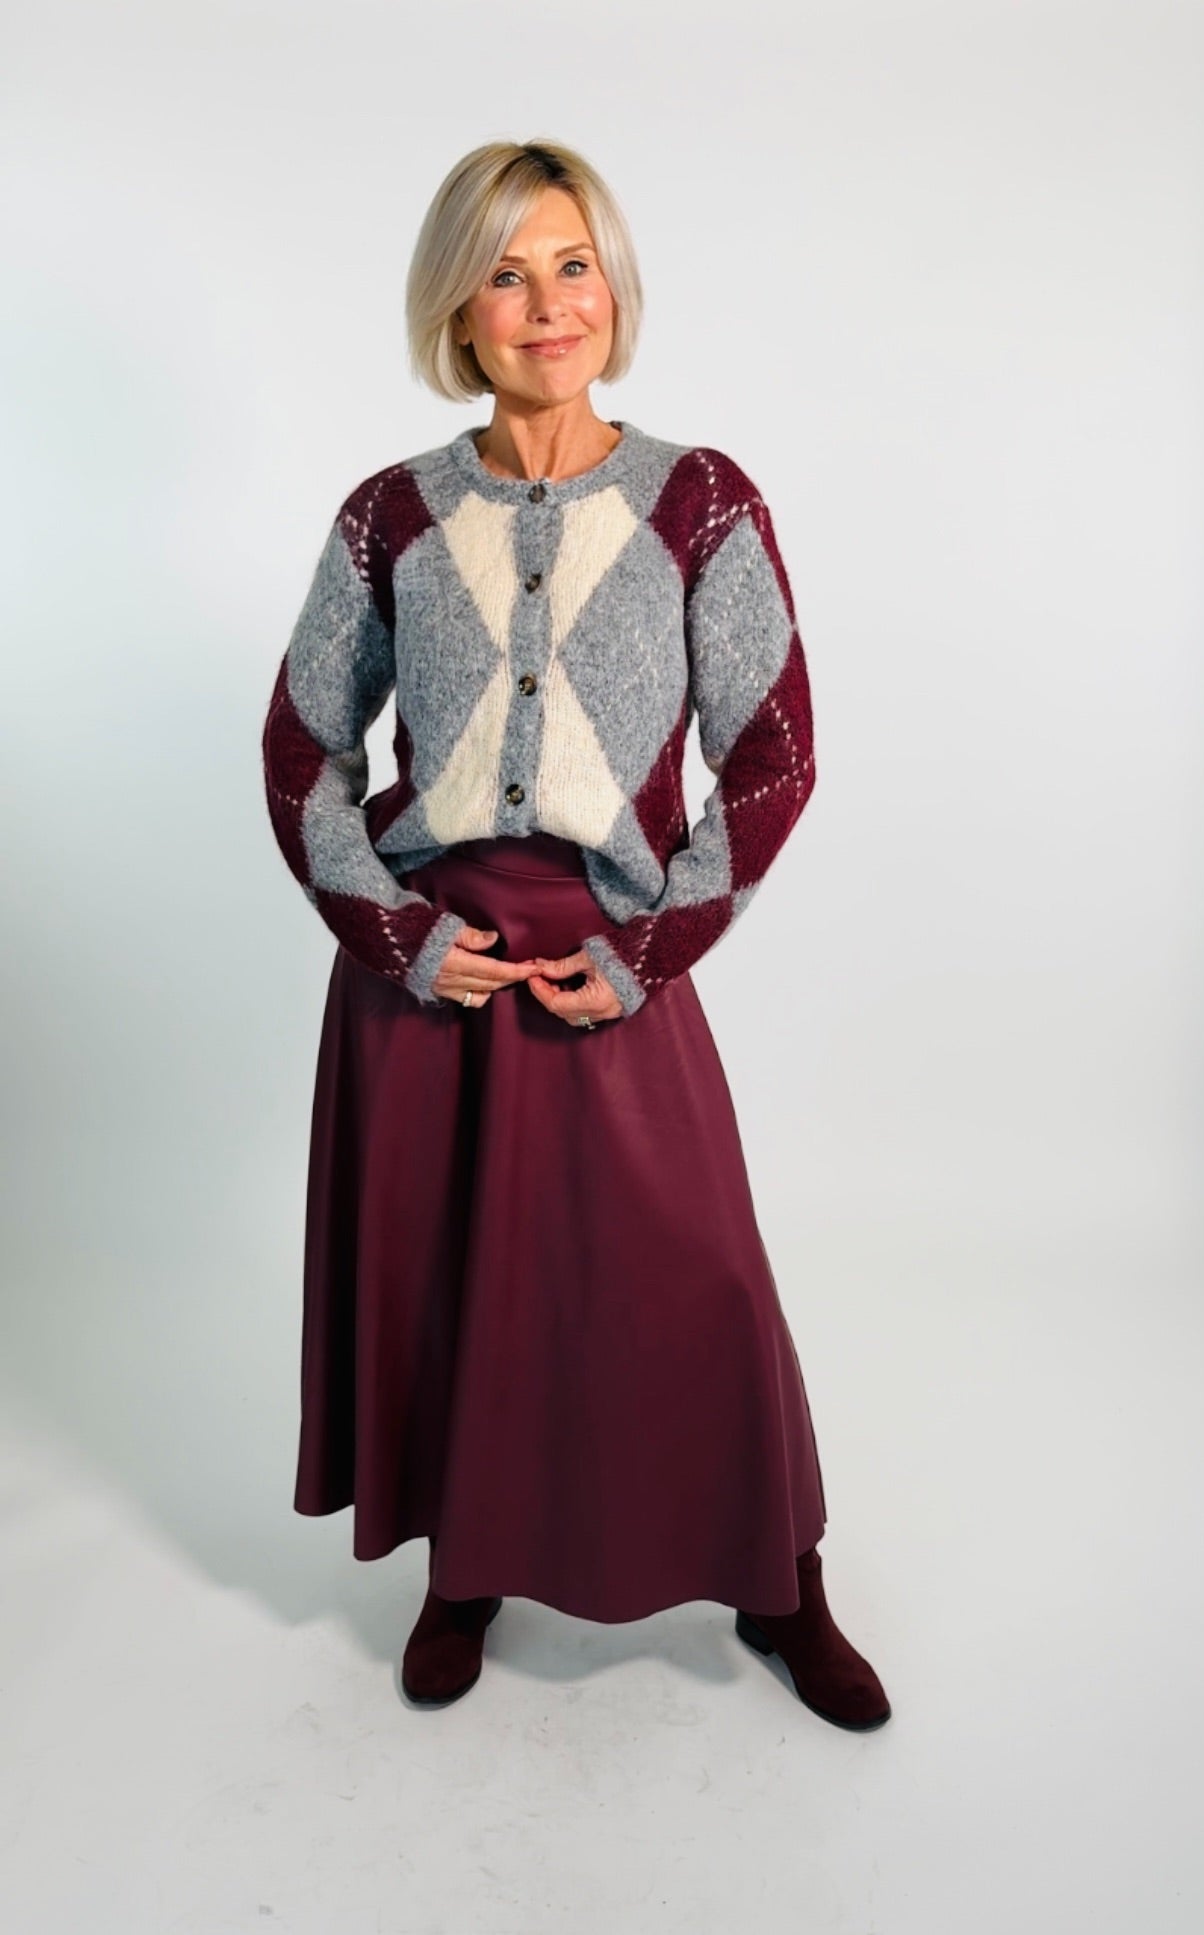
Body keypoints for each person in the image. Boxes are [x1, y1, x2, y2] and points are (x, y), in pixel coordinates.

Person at [261, 136, 891, 1732]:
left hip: (607, 952)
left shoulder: (698, 500)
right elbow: (302, 751)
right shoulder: (388, 516)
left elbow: (774, 753)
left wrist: (648, 954)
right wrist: (395, 933)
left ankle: (778, 1583)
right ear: (455, 310)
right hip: (430, 974)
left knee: (694, 1273)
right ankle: (461, 1569)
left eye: (573, 265)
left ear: (612, 289)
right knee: (449, 1284)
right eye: (506, 272)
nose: (548, 304)